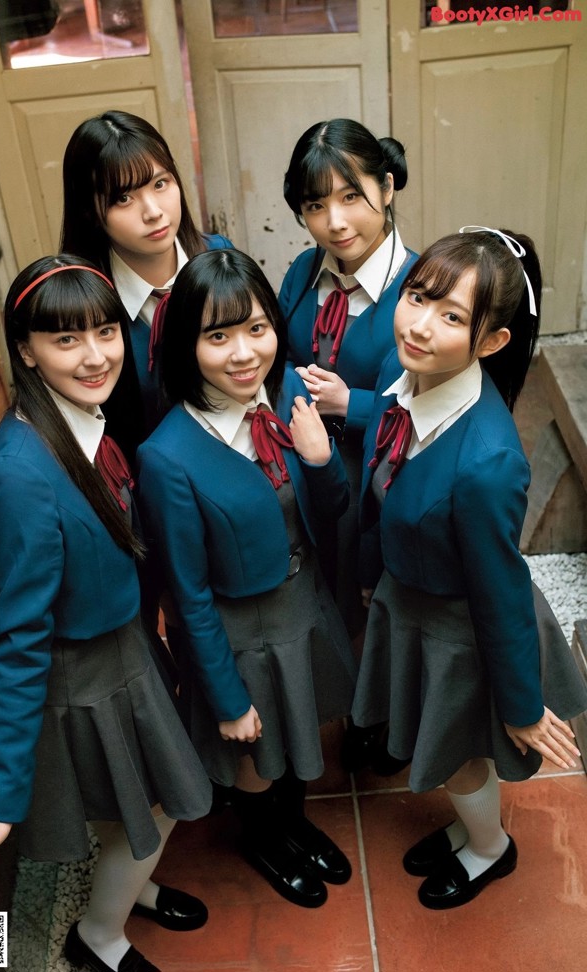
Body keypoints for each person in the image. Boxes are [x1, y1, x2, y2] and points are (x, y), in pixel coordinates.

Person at [0, 256, 213, 972]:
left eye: (105, 331)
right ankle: (98, 935)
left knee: (141, 808)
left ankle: (131, 892)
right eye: (66, 340)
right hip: (82, 675)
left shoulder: (80, 419)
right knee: (154, 809)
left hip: (123, 645)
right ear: (25, 350)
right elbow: (20, 635)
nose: (95, 356)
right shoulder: (19, 473)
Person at [352, 226, 587, 910]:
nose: (420, 325)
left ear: (492, 342)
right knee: (445, 752)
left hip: (459, 626)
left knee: (458, 758)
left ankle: (490, 848)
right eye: (418, 297)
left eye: (451, 316)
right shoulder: (399, 381)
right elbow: (387, 460)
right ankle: (471, 830)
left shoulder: (487, 464)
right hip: (411, 598)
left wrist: (520, 705)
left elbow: (501, 587)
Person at [135, 249, 357, 910]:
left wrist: (320, 463)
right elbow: (187, 594)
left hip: (301, 607)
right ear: (186, 344)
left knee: (298, 731)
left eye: (256, 328)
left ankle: (294, 823)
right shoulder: (166, 457)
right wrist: (227, 698)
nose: (243, 353)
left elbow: (333, 513)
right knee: (256, 754)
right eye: (217, 335)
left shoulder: (287, 389)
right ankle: (263, 837)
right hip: (238, 632)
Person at [280, 117, 419, 775]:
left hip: (380, 486)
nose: (334, 222)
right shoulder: (303, 274)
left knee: (374, 601)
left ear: (386, 187)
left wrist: (352, 404)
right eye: (314, 205)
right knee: (324, 592)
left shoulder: (420, 291)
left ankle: (383, 720)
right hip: (313, 474)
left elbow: (436, 409)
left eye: (351, 197)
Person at [60, 109, 233, 436]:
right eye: (123, 198)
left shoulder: (219, 257)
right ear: (90, 212)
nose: (153, 212)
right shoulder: (82, 306)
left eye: (160, 183)